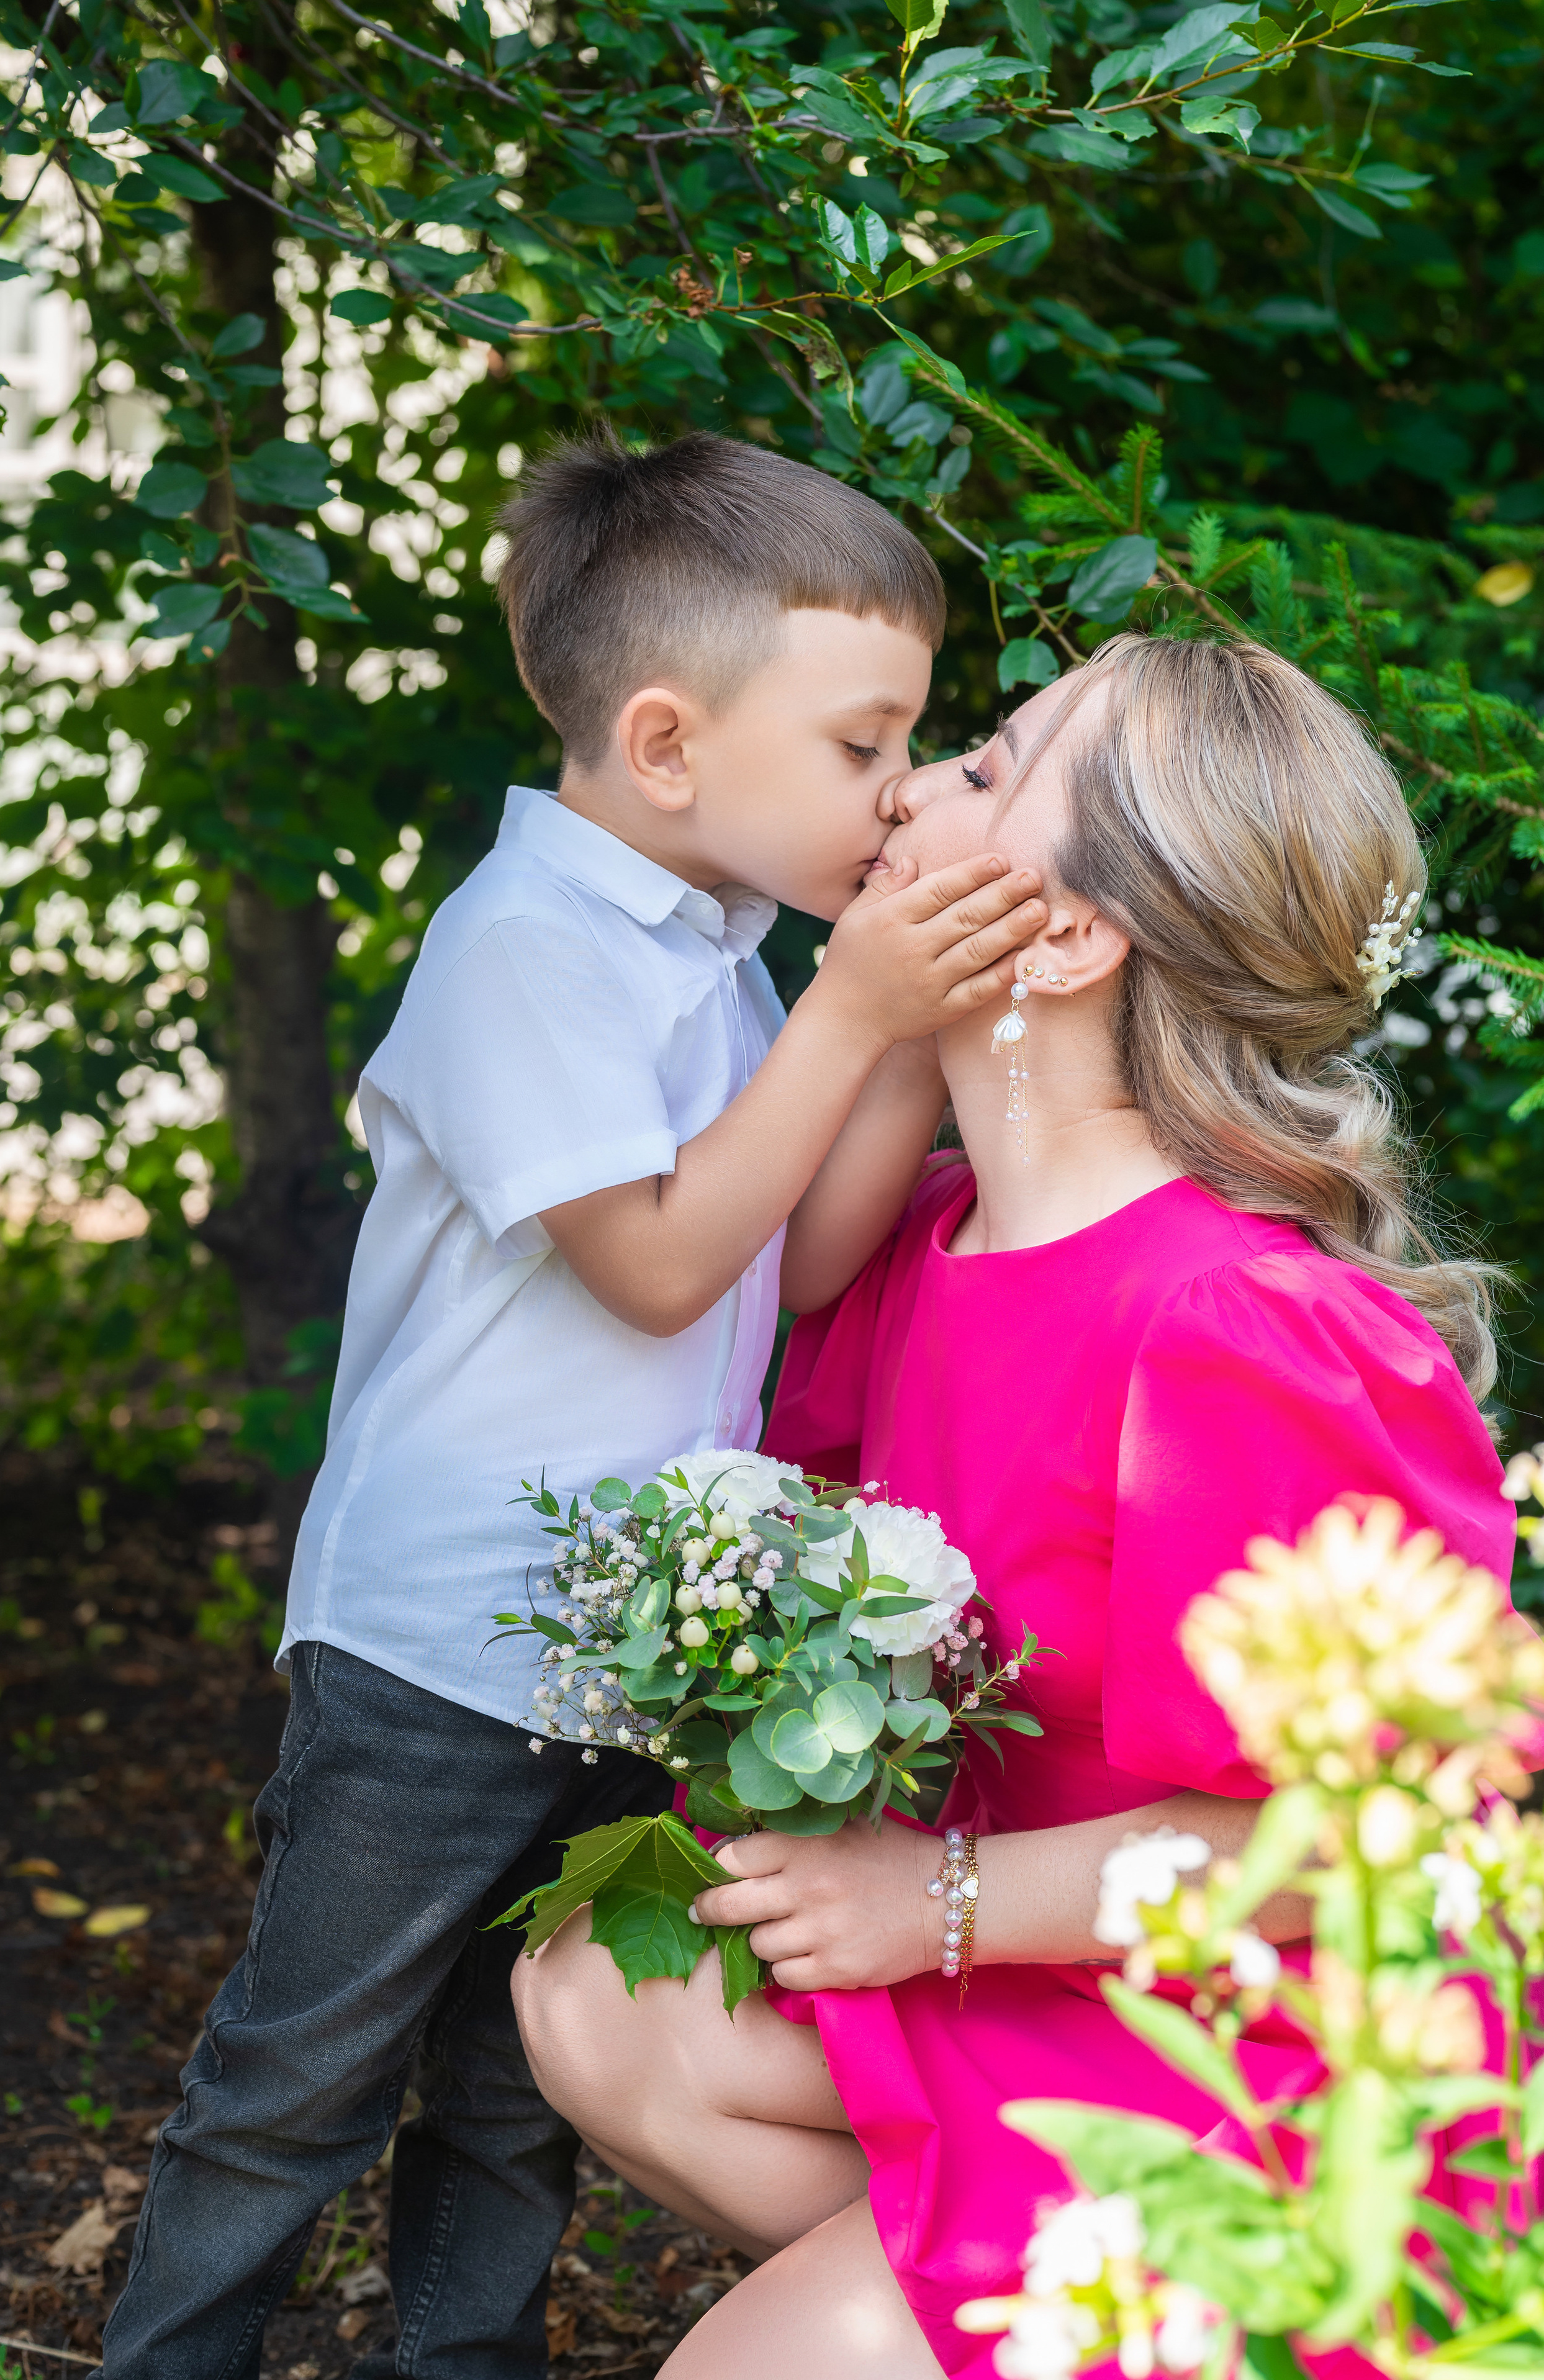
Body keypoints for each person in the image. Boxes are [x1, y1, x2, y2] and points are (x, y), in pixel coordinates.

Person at [96, 431, 1050, 2380]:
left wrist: (916, 1035)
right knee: (301, 2071)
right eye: (864, 746)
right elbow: (661, 1260)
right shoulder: (519, 952)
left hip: (625, 1647)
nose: (891, 793)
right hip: (442, 1642)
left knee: (514, 2087)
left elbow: (792, 1262)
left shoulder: (724, 958)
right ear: (670, 742)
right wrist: (861, 1010)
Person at [512, 631, 1519, 2379]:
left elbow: (1386, 1837)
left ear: (1063, 934)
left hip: (1272, 2043)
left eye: (991, 768)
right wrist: (908, 1035)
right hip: (1061, 1985)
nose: (907, 780)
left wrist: (939, 1900)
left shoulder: (1237, 1328)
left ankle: (1230, 2303)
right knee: (601, 2003)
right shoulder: (928, 1241)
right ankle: (1021, 2304)